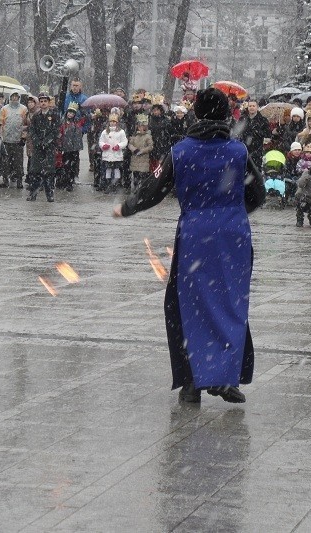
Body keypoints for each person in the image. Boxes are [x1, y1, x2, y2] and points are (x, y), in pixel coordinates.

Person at [112, 87, 265, 404]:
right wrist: (231, 214)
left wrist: (127, 207)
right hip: (233, 237)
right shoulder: (237, 152)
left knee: (186, 306)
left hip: (195, 236)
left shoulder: (181, 151)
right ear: (227, 115)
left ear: (195, 113)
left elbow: (155, 189)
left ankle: (192, 381)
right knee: (230, 305)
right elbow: (258, 194)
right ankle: (225, 377)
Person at [26, 92, 60, 202]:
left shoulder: (54, 115)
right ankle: (33, 193)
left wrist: (47, 141)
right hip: (38, 147)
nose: (43, 103)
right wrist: (37, 141)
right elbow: (32, 130)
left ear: (49, 103)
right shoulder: (36, 116)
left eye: (45, 101)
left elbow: (55, 130)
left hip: (49, 147)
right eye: (41, 101)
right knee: (35, 171)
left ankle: (49, 194)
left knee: (49, 171)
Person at [0, 92, 29, 188]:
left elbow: (26, 124)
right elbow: (0, 122)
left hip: (18, 141)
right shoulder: (4, 109)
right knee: (5, 162)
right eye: (13, 96)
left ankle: (19, 181)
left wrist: (23, 137)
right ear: (10, 97)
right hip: (6, 140)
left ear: (19, 98)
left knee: (18, 162)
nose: (15, 98)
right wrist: (1, 135)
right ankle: (5, 180)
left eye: (16, 97)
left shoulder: (24, 109)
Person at [57, 102, 85, 191]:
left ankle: (70, 182)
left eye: (72, 113)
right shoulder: (63, 122)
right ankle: (63, 181)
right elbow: (60, 134)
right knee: (65, 166)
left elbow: (85, 118)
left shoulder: (77, 122)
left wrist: (82, 109)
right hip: (66, 148)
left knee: (73, 166)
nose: (70, 114)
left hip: (75, 148)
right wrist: (59, 144)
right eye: (69, 112)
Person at [98, 113, 128, 193]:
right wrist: (103, 145)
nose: (113, 123)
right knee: (108, 169)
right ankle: (108, 185)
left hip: (116, 154)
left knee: (116, 169)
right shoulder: (105, 132)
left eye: (114, 122)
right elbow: (101, 141)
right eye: (111, 121)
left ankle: (115, 185)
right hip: (107, 154)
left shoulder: (121, 132)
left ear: (117, 122)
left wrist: (119, 146)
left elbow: (124, 141)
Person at [128, 113, 153, 192]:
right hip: (135, 158)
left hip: (143, 158)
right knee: (135, 175)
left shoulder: (148, 136)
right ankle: (136, 187)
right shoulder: (134, 135)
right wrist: (134, 149)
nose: (140, 128)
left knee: (143, 175)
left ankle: (142, 188)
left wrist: (142, 151)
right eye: (139, 126)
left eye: (142, 126)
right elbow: (130, 144)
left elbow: (150, 146)